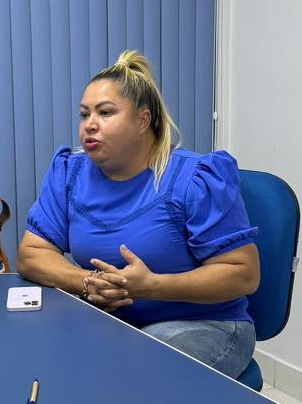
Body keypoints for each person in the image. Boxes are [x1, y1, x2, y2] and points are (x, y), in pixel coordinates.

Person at [18, 50, 261, 381]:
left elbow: (243, 274)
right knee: (46, 364)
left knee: (129, 380)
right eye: (84, 114)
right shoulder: (69, 172)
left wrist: (152, 286)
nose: (89, 125)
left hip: (206, 324)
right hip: (116, 324)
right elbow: (32, 254)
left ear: (143, 121)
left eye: (105, 113)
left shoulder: (195, 179)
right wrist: (86, 282)